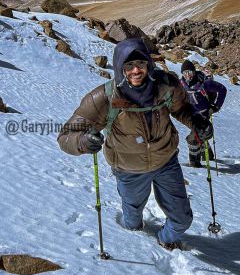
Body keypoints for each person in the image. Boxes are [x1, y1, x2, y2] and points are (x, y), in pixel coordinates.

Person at [57, 38, 212, 250]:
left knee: (182, 219)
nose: (136, 70)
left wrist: (196, 121)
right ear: (120, 67)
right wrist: (83, 142)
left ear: (149, 63)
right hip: (128, 169)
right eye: (128, 66)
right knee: (132, 216)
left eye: (141, 63)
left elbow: (181, 109)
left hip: (166, 160)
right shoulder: (103, 97)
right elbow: (66, 136)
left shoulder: (166, 86)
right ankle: (134, 239)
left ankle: (165, 239)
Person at [180, 59, 227, 167]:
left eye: (190, 72)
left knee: (193, 138)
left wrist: (216, 107)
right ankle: (208, 155)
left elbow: (222, 90)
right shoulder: (181, 84)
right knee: (199, 135)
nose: (188, 75)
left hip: (204, 113)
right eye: (185, 73)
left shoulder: (205, 84)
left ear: (194, 72)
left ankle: (194, 163)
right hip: (191, 115)